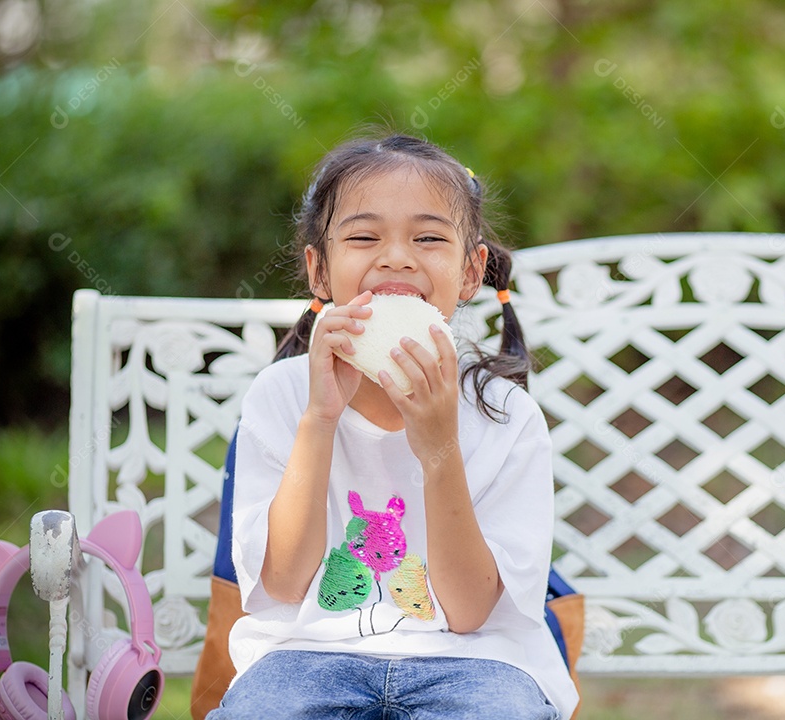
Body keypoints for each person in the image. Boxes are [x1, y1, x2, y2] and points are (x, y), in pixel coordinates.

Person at [208, 134, 578, 719]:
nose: (397, 257)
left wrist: (438, 447)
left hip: (478, 662)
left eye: (429, 237)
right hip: (305, 657)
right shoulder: (282, 398)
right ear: (319, 270)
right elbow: (281, 583)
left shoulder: (506, 415)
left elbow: (469, 610)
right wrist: (320, 420)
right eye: (363, 237)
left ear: (471, 270)